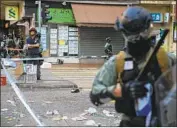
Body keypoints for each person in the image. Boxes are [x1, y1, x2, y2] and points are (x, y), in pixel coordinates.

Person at [90, 6, 176, 127]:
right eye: (131, 34)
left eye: (137, 34)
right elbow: (95, 96)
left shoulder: (165, 58)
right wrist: (124, 90)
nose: (134, 39)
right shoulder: (117, 62)